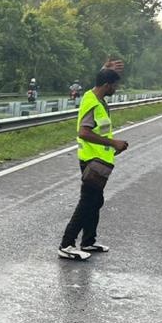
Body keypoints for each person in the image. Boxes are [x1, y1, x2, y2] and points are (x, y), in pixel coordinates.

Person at [58, 68, 128, 261]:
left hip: (99, 160)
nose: (116, 88)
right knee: (87, 202)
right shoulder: (92, 102)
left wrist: (113, 148)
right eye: (115, 85)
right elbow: (84, 132)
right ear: (107, 85)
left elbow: (100, 131)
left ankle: (88, 241)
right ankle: (66, 244)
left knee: (95, 201)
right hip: (91, 162)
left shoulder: (96, 98)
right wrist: (113, 143)